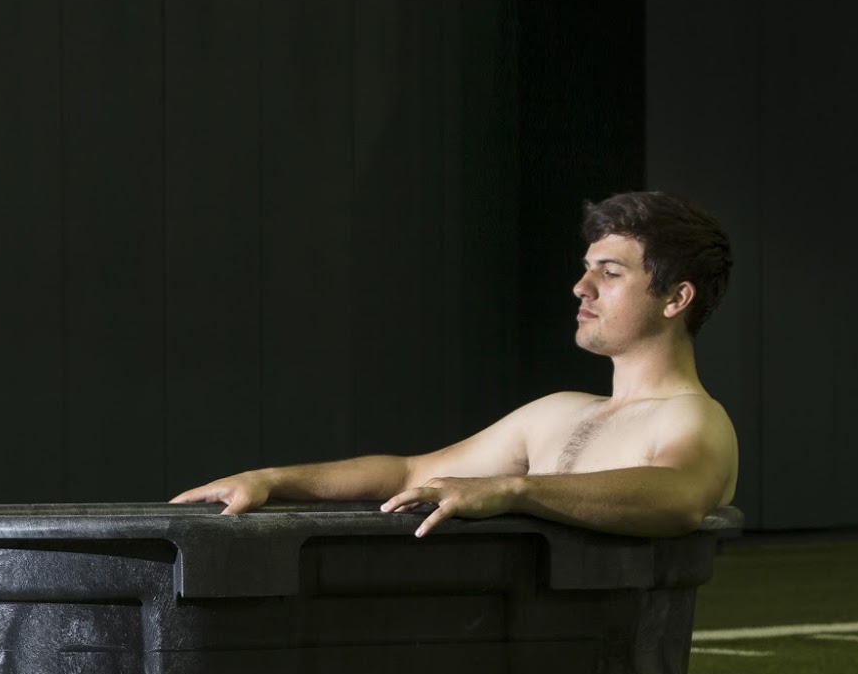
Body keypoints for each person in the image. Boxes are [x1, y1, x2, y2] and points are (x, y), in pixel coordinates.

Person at [171, 190, 738, 538]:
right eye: (587, 268)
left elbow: (681, 496)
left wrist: (514, 490)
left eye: (610, 273)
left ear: (676, 298)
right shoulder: (555, 414)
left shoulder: (693, 419)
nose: (581, 287)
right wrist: (271, 480)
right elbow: (409, 474)